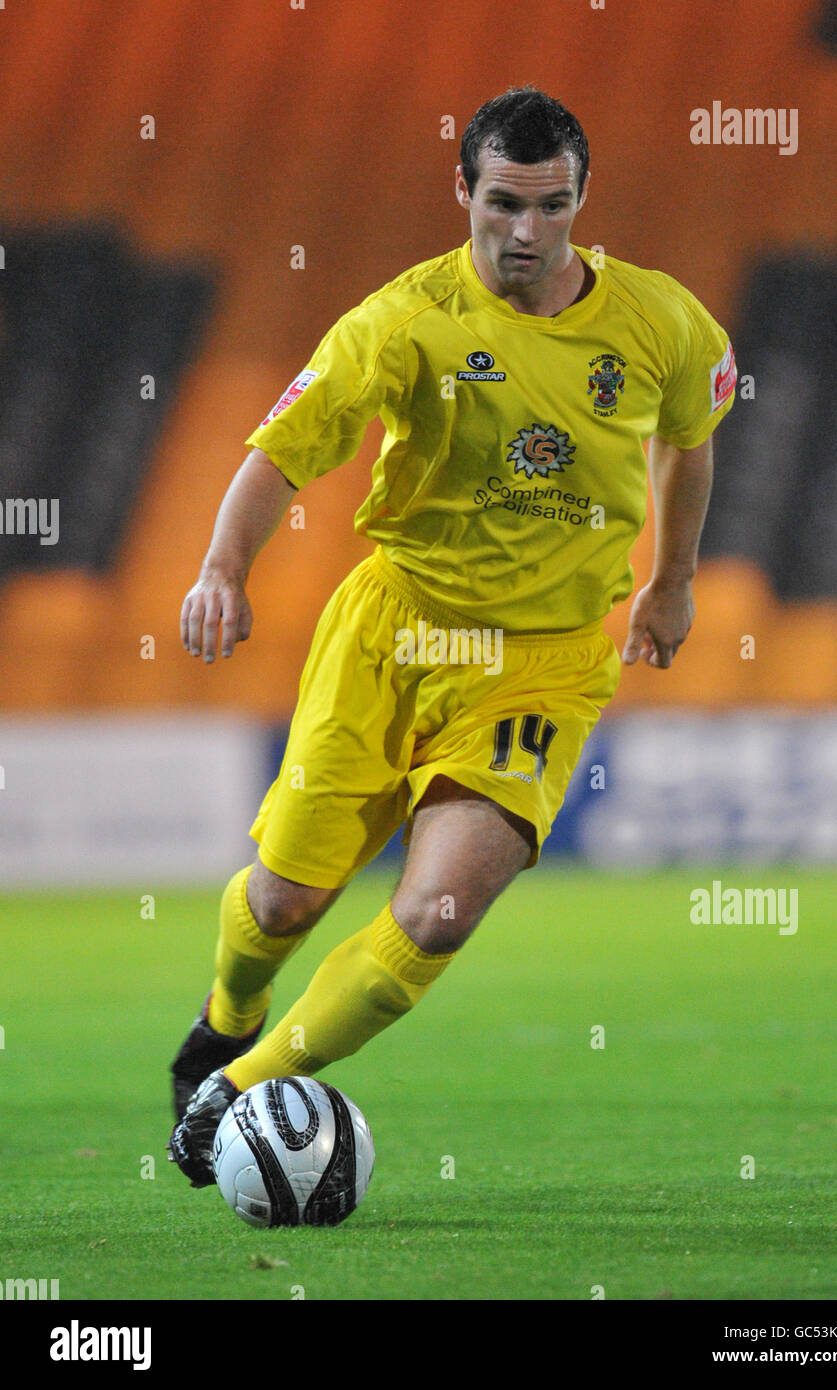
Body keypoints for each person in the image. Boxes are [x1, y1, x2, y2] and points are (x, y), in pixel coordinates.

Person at [168, 85, 737, 1187]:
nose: (527, 232)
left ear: (583, 199)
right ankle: (228, 1014)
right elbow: (279, 451)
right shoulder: (402, 322)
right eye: (504, 204)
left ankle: (235, 1093)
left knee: (433, 914)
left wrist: (671, 581)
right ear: (462, 191)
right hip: (397, 636)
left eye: (553, 206)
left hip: (545, 660)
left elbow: (690, 435)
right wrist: (219, 569)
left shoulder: (665, 321)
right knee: (284, 900)